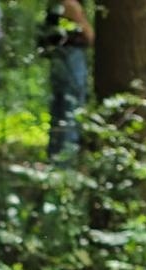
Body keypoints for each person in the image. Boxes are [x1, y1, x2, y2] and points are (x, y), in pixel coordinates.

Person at [44, 0, 95, 160]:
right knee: (71, 107)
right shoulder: (70, 5)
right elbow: (90, 36)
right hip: (71, 59)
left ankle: (55, 156)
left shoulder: (55, 5)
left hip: (59, 59)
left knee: (60, 107)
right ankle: (66, 159)